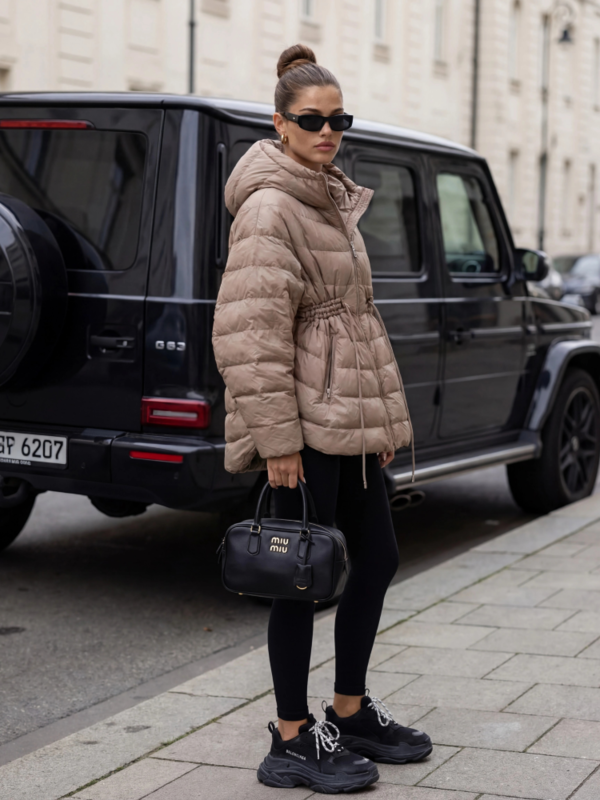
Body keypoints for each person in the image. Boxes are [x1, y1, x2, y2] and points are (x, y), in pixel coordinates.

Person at [211, 43, 432, 794]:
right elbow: (250, 335)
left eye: (339, 119)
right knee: (298, 575)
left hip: (348, 418)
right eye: (312, 120)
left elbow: (350, 318)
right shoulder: (271, 206)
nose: (328, 131)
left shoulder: (328, 195)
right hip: (304, 426)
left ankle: (350, 710)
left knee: (378, 558)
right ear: (280, 123)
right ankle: (290, 738)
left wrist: (376, 422)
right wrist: (277, 441)